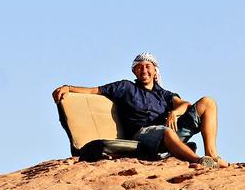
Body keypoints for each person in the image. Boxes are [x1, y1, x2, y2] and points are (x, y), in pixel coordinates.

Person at [52, 53, 228, 168]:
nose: (144, 69)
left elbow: (184, 104)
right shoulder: (125, 87)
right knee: (165, 132)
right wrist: (68, 87)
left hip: (169, 132)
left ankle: (211, 155)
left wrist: (174, 112)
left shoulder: (163, 93)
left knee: (208, 102)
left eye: (147, 66)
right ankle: (199, 161)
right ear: (135, 71)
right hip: (142, 136)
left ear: (154, 71)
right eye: (139, 66)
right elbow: (94, 90)